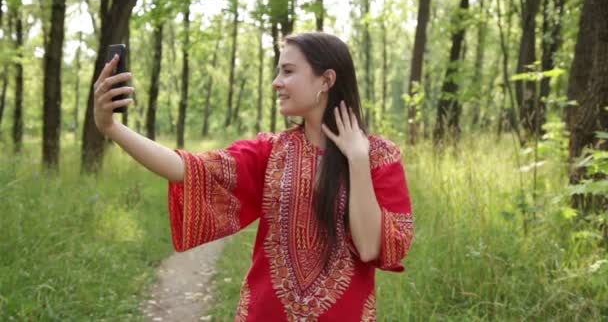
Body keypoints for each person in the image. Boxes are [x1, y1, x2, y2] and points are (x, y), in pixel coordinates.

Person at [94, 32, 414, 321]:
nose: (276, 82)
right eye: (278, 71)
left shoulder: (379, 157)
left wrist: (357, 160)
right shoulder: (270, 151)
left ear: (326, 80)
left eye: (288, 71)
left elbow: (371, 248)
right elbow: (186, 168)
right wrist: (113, 128)